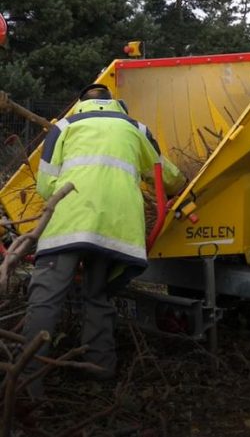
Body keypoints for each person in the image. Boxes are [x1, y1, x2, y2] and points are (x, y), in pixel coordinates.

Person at [22, 83, 185, 398]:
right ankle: (100, 373)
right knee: (98, 296)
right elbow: (163, 174)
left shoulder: (63, 128)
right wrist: (184, 183)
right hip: (116, 230)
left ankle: (27, 385)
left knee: (45, 300)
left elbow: (45, 187)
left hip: (68, 226)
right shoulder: (135, 128)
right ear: (115, 104)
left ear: (80, 104)